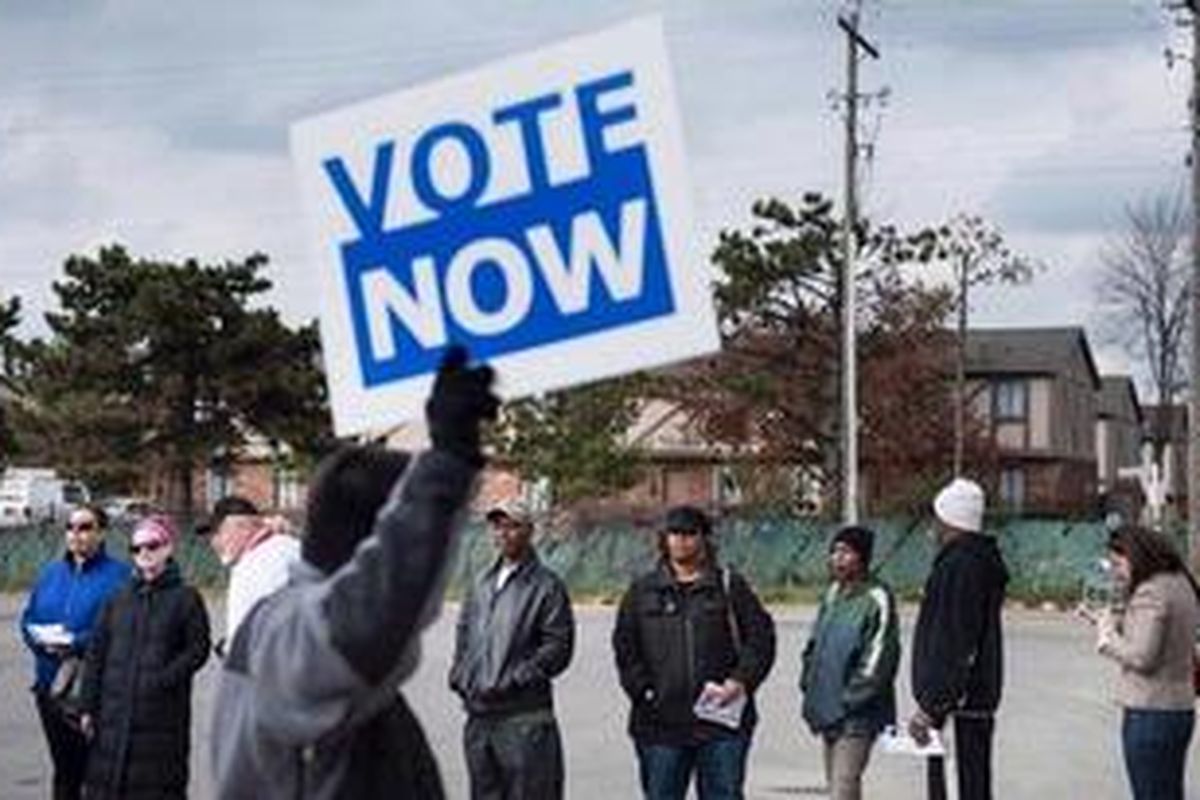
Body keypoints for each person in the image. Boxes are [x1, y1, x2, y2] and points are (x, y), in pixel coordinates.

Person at [210, 345, 499, 799]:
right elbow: (367, 617)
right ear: (372, 548)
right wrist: (447, 464)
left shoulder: (285, 623)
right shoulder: (288, 635)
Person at [613, 505, 776, 800]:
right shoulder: (643, 591)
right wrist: (643, 691)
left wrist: (740, 680)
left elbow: (761, 640)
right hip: (660, 725)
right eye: (674, 533)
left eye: (689, 534)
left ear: (704, 539)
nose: (681, 541)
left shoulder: (729, 586)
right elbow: (625, 648)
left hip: (721, 724)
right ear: (664, 539)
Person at [449, 498, 575, 799]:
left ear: (530, 531)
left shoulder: (546, 586)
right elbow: (465, 633)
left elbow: (558, 648)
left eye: (512, 526)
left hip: (524, 720)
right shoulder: (481, 582)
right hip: (479, 718)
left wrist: (514, 679)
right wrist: (459, 673)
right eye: (497, 526)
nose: (503, 533)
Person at [79, 514, 211, 799]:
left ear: (168, 548)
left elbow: (198, 649)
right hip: (112, 710)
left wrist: (163, 679)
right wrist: (87, 705)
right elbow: (96, 653)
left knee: (156, 785)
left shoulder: (186, 598)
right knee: (107, 782)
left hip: (161, 714)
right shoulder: (116, 599)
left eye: (152, 546)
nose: (144, 554)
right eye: (136, 549)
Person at [20, 504, 130, 800]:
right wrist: (39, 641)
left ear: (102, 533)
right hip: (49, 688)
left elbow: (123, 629)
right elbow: (28, 617)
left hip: (94, 691)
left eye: (85, 527)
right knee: (65, 771)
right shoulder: (50, 573)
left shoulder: (121, 576)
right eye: (71, 527)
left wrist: (77, 643)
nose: (76, 534)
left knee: (96, 774)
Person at [907, 477, 1008, 800]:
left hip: (957, 709)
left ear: (950, 519)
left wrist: (933, 705)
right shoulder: (977, 563)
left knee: (956, 789)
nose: (934, 526)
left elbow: (954, 643)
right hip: (969, 705)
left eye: (938, 516)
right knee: (971, 785)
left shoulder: (960, 567)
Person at [1091, 525, 1200, 800]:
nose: (1116, 571)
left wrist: (1107, 637)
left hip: (1150, 712)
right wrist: (1114, 623)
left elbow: (1142, 657)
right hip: (1180, 710)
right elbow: (1161, 639)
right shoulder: (1181, 582)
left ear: (1136, 554)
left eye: (1118, 563)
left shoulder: (1150, 592)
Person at [800, 525, 900, 800]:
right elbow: (814, 645)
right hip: (827, 710)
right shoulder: (832, 593)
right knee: (838, 788)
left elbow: (880, 659)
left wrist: (847, 701)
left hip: (857, 716)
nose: (837, 559)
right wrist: (809, 685)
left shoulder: (877, 598)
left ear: (862, 557)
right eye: (834, 552)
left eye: (845, 552)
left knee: (843, 787)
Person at [197, 494, 300, 651]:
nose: (214, 542)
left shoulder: (251, 568)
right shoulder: (294, 547)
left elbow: (244, 642)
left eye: (218, 532)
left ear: (241, 527)